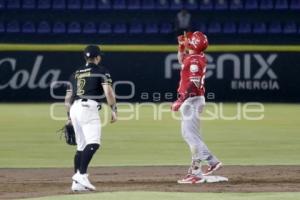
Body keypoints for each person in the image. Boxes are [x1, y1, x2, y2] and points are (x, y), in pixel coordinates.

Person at [171, 31, 222, 184]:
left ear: (193, 44)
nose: (187, 40)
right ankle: (212, 161)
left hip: (191, 99)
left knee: (191, 136)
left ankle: (196, 172)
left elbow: (193, 84)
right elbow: (182, 60)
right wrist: (181, 47)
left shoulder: (194, 60)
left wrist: (180, 100)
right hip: (193, 99)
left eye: (189, 40)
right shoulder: (195, 57)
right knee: (191, 135)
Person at [64, 45, 117, 191]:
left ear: (85, 57)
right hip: (88, 108)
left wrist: (69, 117)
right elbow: (109, 93)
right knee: (94, 143)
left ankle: (77, 184)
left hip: (74, 108)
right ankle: (81, 174)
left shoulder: (74, 73)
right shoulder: (101, 71)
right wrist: (113, 109)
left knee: (81, 146)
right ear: (98, 57)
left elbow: (67, 98)